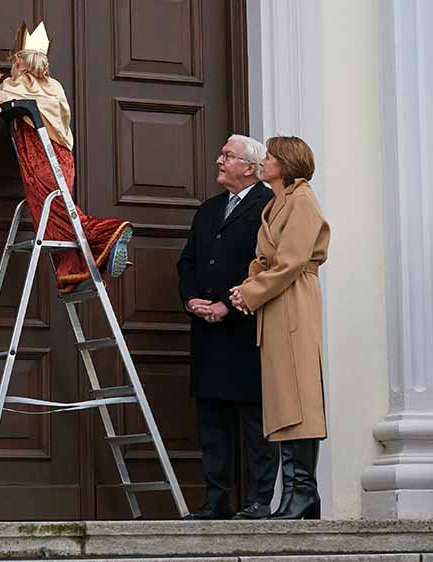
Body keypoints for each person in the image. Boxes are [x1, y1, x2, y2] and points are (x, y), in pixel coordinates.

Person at [0, 22, 131, 293]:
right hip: (62, 159)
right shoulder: (55, 87)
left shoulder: (14, 86)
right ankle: (71, 276)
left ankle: (108, 232)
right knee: (54, 217)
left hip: (38, 159)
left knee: (55, 215)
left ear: (18, 60)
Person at [176, 134, 278, 520]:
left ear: (250, 167)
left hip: (246, 329)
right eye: (221, 154)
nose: (219, 160)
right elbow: (187, 263)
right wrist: (191, 301)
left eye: (228, 156)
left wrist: (228, 306)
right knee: (212, 421)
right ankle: (217, 500)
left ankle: (258, 500)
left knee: (255, 422)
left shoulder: (269, 207)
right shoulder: (208, 210)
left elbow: (267, 267)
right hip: (207, 332)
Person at [230, 136, 330, 520]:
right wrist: (246, 288)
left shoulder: (302, 200)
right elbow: (265, 259)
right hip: (275, 301)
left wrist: (251, 292)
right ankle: (296, 494)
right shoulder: (275, 203)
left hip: (294, 300)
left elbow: (289, 262)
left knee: (298, 397)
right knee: (285, 396)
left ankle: (302, 492)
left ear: (286, 163)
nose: (264, 162)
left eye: (270, 156)